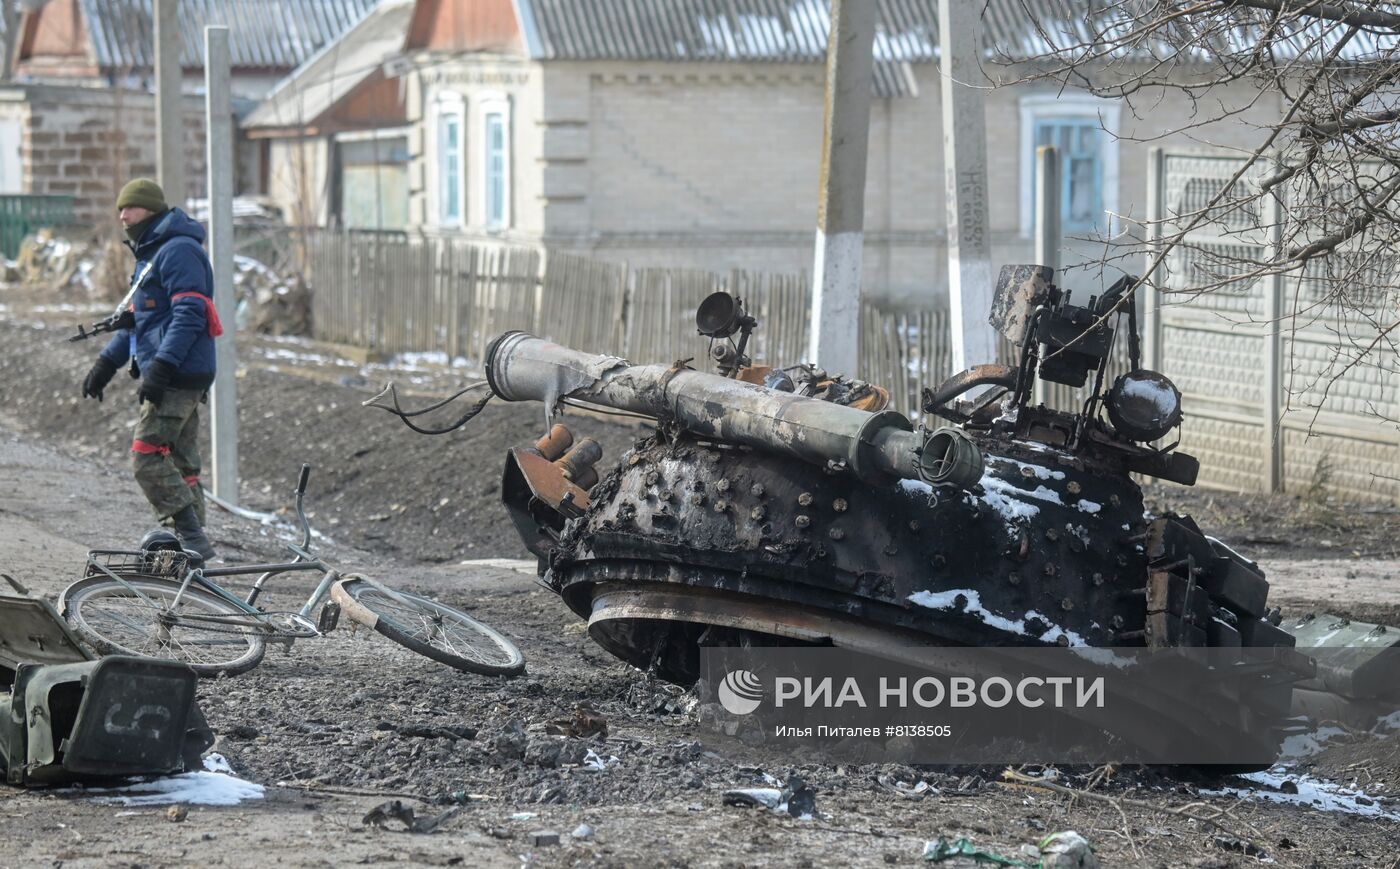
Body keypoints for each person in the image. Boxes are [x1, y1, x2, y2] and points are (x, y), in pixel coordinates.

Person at [81, 179, 222, 561]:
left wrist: (161, 367)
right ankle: (194, 553)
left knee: (146, 455)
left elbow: (190, 314)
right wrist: (105, 365)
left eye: (131, 208)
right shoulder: (152, 254)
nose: (123, 216)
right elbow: (139, 322)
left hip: (179, 371)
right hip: (181, 369)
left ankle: (192, 541)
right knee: (180, 461)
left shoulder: (177, 251)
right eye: (120, 210)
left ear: (152, 210)